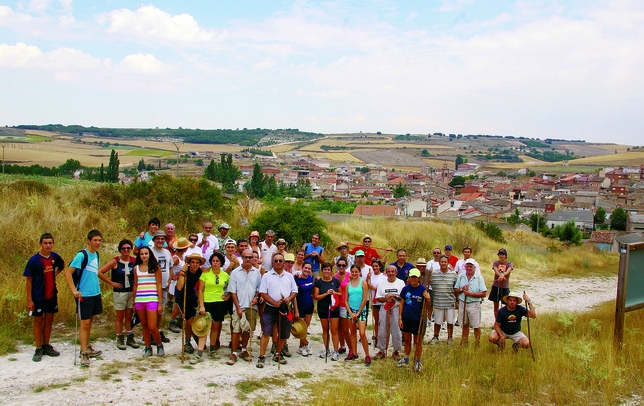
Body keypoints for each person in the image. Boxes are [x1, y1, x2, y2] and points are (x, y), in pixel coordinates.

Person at [64, 229, 103, 367]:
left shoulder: (96, 254)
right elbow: (68, 273)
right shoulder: (82, 255)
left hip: (95, 293)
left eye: (99, 240)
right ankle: (84, 353)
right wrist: (74, 290)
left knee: (89, 323)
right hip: (84, 295)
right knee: (84, 324)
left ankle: (86, 346)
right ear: (89, 240)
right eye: (95, 240)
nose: (97, 243)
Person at [24, 233, 65, 362]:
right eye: (45, 243)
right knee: (38, 321)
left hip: (51, 295)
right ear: (40, 244)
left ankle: (46, 345)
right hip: (38, 296)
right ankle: (38, 348)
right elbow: (29, 281)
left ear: (53, 243)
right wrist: (29, 300)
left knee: (49, 320)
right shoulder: (34, 260)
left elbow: (62, 266)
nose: (48, 245)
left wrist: (54, 274)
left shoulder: (55, 257)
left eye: (50, 243)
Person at [256, 252, 298, 368]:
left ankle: (278, 353)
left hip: (285, 308)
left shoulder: (289, 276)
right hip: (270, 308)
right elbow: (263, 293)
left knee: (284, 333)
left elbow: (294, 291)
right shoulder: (266, 276)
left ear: (284, 262)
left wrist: (288, 299)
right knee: (266, 332)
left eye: (280, 260)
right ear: (272, 262)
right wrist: (274, 302)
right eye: (276, 261)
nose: (278, 262)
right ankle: (262, 356)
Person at [98, 239, 139, 350]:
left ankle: (130, 336)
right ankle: (119, 337)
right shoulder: (115, 261)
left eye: (128, 248)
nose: (126, 250)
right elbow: (100, 272)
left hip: (131, 291)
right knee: (120, 316)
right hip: (120, 292)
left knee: (129, 316)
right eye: (123, 248)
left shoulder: (134, 261)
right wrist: (111, 283)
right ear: (120, 249)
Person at [193, 252, 229, 364]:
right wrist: (201, 305)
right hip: (207, 302)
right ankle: (199, 352)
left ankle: (212, 348)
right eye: (213, 261)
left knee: (215, 326)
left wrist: (227, 296)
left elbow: (230, 289)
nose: (215, 263)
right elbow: (200, 290)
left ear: (221, 262)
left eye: (217, 261)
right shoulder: (205, 274)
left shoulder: (226, 276)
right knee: (204, 327)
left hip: (219, 302)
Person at [226, 249, 261, 365]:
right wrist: (238, 307)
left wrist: (256, 297)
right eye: (246, 257)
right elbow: (232, 292)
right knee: (236, 330)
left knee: (247, 329)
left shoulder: (257, 273)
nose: (248, 259)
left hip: (251, 306)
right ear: (242, 257)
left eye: (250, 257)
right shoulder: (235, 272)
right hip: (238, 306)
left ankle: (244, 350)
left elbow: (258, 289)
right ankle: (234, 353)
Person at [132, 246, 164, 357]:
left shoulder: (155, 267)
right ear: (139, 255)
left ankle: (159, 345)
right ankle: (147, 347)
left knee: (152, 326)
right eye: (142, 254)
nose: (144, 256)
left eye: (146, 253)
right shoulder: (136, 268)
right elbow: (135, 285)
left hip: (152, 299)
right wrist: (133, 302)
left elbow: (159, 285)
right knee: (144, 325)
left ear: (149, 254)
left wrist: (160, 303)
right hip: (140, 299)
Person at [398, 268, 431, 372]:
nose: (413, 279)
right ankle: (406, 358)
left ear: (418, 278)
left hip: (417, 319)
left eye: (415, 277)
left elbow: (427, 306)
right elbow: (401, 304)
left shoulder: (422, 289)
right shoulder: (405, 289)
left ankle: (417, 361)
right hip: (406, 317)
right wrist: (400, 318)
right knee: (407, 340)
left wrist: (428, 298)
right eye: (412, 277)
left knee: (418, 341)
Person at [374, 265, 405, 360]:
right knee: (383, 329)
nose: (391, 273)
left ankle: (396, 351)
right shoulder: (382, 283)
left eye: (393, 271)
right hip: (384, 308)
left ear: (396, 273)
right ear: (386, 273)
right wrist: (386, 298)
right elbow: (378, 297)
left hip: (396, 308)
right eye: (389, 272)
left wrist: (394, 296)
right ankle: (382, 350)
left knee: (396, 329)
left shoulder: (400, 283)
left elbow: (402, 298)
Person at [176, 253, 204, 355]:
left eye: (197, 262)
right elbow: (179, 287)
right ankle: (194, 337)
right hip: (182, 298)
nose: (195, 265)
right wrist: (182, 272)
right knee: (189, 321)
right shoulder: (185, 272)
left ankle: (188, 341)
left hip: (192, 297)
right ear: (189, 263)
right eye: (192, 262)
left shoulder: (199, 272)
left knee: (190, 320)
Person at [455, 259, 487, 345]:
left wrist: (470, 294)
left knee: (476, 325)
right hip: (463, 302)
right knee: (464, 324)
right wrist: (462, 289)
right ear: (465, 267)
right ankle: (464, 341)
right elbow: (455, 290)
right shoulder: (461, 276)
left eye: (471, 266)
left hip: (474, 304)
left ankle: (477, 342)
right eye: (467, 266)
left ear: (474, 267)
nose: (469, 268)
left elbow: (484, 293)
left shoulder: (479, 277)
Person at [313, 261, 341, 361]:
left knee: (334, 330)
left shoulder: (336, 281)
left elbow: (341, 293)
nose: (326, 271)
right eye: (325, 269)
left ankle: (336, 350)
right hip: (323, 308)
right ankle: (326, 348)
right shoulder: (318, 282)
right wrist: (325, 294)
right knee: (325, 329)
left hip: (334, 308)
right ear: (322, 270)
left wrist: (335, 293)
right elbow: (316, 296)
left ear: (331, 270)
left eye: (328, 269)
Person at [428, 255, 458, 345]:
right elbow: (431, 287)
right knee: (437, 321)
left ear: (448, 263)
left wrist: (456, 301)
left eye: (445, 262)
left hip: (450, 302)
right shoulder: (434, 274)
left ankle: (450, 338)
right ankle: (436, 337)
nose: (443, 263)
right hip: (438, 301)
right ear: (439, 263)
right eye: (442, 262)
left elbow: (455, 288)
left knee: (450, 321)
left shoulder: (453, 275)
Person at [345, 264, 371, 365]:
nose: (354, 273)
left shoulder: (363, 283)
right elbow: (346, 300)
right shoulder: (348, 284)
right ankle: (354, 352)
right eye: (353, 272)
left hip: (361, 311)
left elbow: (365, 299)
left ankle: (367, 355)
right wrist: (351, 313)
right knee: (352, 332)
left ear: (359, 272)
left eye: (356, 272)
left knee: (362, 333)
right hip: (350, 311)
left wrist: (358, 312)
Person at [150, 230, 172, 343]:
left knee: (160, 312)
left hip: (163, 287)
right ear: (153, 240)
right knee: (151, 311)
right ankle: (151, 333)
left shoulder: (167, 252)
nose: (160, 241)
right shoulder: (149, 252)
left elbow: (170, 267)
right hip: (151, 287)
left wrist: (170, 278)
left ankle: (157, 331)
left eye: (162, 239)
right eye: (158, 238)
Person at [168, 237, 190, 333]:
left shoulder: (182, 257)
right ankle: (172, 321)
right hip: (176, 283)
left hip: (181, 282)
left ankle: (180, 319)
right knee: (178, 303)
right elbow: (170, 266)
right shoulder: (176, 258)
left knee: (181, 303)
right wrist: (173, 275)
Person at [294, 262, 314, 356]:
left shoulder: (310, 278)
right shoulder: (297, 279)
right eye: (305, 268)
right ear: (302, 268)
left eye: (309, 268)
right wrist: (296, 310)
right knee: (301, 328)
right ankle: (306, 343)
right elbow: (294, 295)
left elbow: (312, 292)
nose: (307, 270)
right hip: (300, 305)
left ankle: (301, 348)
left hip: (309, 305)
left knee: (306, 327)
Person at [488, 248, 514, 318]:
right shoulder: (496, 263)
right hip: (496, 285)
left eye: (502, 254)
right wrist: (501, 276)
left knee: (506, 305)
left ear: (505, 255)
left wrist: (503, 275)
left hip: (504, 286)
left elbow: (508, 271)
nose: (501, 256)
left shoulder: (509, 264)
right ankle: (497, 321)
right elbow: (496, 271)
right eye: (500, 254)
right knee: (496, 305)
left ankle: (505, 320)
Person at [334, 257, 350, 355]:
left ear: (346, 266)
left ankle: (351, 349)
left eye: (343, 265)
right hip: (336, 304)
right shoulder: (335, 276)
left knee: (345, 329)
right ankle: (342, 346)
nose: (341, 267)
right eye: (339, 265)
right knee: (338, 328)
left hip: (345, 304)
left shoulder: (350, 276)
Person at [368, 259, 386, 345]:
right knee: (376, 320)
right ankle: (377, 337)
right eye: (373, 266)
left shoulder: (384, 277)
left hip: (382, 301)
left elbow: (384, 290)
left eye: (376, 266)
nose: (375, 268)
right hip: (374, 302)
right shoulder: (370, 276)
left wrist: (374, 289)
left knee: (383, 321)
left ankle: (383, 337)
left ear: (380, 266)